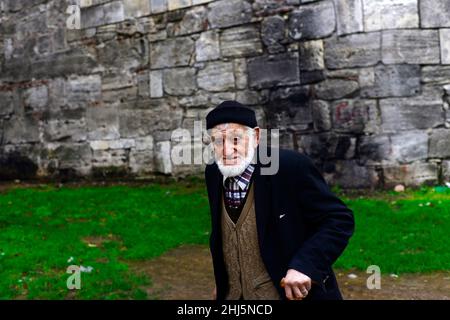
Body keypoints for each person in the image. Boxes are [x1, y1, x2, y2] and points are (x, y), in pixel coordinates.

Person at [204, 100, 355, 300]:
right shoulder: (214, 172)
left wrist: (305, 266)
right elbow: (225, 235)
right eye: (218, 141)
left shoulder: (289, 167)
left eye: (235, 139)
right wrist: (225, 282)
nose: (226, 150)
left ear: (256, 137)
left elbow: (338, 219)